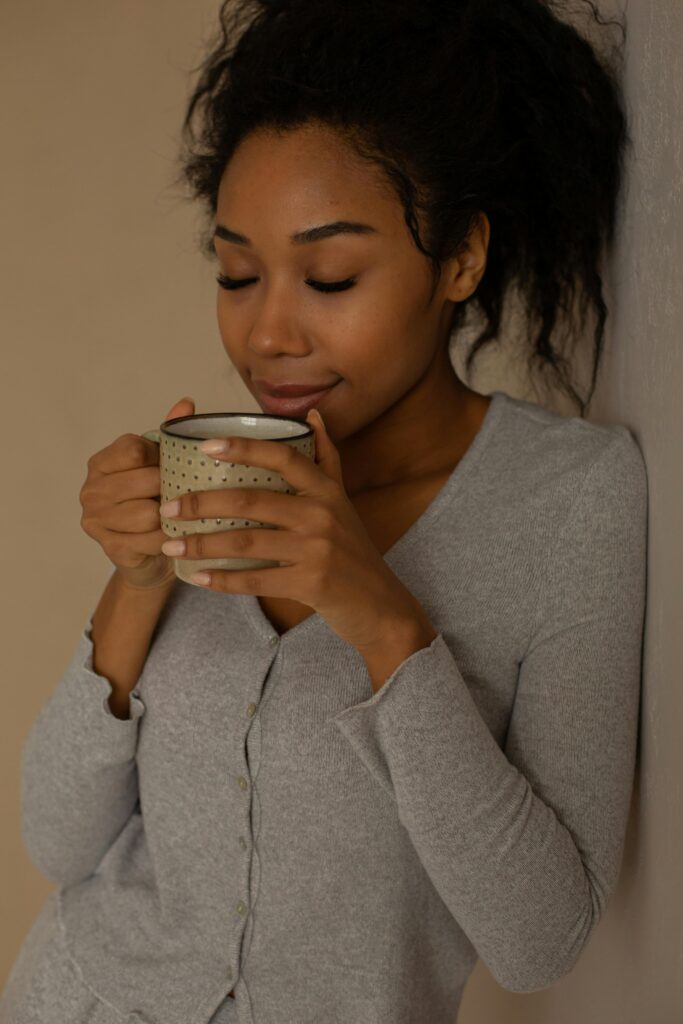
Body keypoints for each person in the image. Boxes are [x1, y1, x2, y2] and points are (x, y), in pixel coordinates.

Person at [2, 1, 648, 1022]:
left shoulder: (570, 500)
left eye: (330, 276)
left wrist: (381, 617)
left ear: (460, 257)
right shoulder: (216, 471)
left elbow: (540, 941)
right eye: (237, 273)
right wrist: (136, 580)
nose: (267, 334)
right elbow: (59, 843)